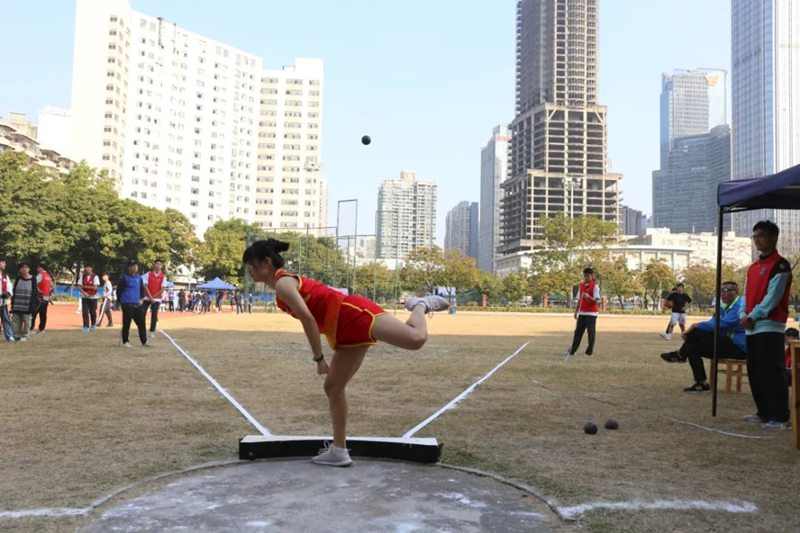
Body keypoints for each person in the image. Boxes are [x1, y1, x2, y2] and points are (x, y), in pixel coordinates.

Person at [243, 238, 449, 467]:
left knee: (416, 339)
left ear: (266, 262)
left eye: (250, 264)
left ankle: (421, 304)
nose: (248, 270)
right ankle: (339, 450)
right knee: (333, 387)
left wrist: (319, 359)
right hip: (340, 329)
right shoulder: (281, 290)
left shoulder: (283, 283)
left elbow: (309, 320)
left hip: (350, 314)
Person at [739, 220, 793, 430]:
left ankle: (780, 416)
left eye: (761, 236)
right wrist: (744, 313)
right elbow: (745, 294)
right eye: (755, 237)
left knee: (772, 371)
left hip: (769, 327)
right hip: (752, 327)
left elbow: (772, 298)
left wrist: (753, 315)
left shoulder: (780, 265)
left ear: (773, 237)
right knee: (755, 371)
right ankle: (764, 412)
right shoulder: (753, 267)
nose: (757, 240)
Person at [660, 281, 746, 392]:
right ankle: (701, 383)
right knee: (692, 345)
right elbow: (713, 321)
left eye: (726, 290)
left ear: (735, 292)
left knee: (696, 331)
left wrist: (695, 326)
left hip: (738, 347)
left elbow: (722, 324)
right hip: (725, 344)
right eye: (720, 291)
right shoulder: (723, 306)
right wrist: (696, 329)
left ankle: (680, 355)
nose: (722, 294)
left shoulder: (739, 306)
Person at [566, 267, 600, 358]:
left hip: (591, 313)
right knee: (578, 332)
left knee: (591, 333)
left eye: (588, 276)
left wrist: (589, 297)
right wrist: (576, 311)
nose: (586, 278)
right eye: (584, 276)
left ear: (592, 276)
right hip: (582, 313)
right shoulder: (581, 286)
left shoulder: (595, 286)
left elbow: (596, 301)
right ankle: (572, 350)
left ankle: (589, 352)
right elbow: (579, 300)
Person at [117, 260, 149, 348]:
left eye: (136, 265)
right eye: (132, 266)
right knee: (127, 323)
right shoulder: (124, 278)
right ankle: (125, 341)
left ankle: (144, 341)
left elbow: (142, 290)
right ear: (129, 268)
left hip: (137, 304)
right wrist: (120, 302)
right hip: (127, 304)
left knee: (141, 323)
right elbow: (119, 291)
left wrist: (142, 299)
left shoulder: (139, 278)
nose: (134, 267)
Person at [10, 262, 39, 342]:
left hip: (27, 305)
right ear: (19, 269)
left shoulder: (33, 279)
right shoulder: (18, 278)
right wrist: (12, 303)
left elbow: (34, 293)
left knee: (27, 321)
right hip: (17, 304)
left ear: (29, 269)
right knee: (16, 321)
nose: (24, 269)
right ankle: (16, 335)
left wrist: (32, 305)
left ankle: (25, 335)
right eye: (22, 267)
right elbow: (14, 291)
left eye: (26, 267)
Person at [142, 259, 167, 339]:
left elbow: (162, 289)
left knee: (154, 315)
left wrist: (154, 297)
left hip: (156, 299)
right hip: (147, 297)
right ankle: (142, 330)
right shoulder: (148, 274)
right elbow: (145, 286)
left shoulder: (163, 276)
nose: (158, 265)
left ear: (161, 266)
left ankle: (152, 331)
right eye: (157, 264)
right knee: (142, 314)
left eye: (160, 264)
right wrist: (150, 297)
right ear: (154, 265)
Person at [30, 263, 53, 334]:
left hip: (39, 298)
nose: (37, 269)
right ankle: (42, 329)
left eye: (38, 268)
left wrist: (38, 290)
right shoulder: (49, 276)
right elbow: (51, 286)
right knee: (43, 314)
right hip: (46, 298)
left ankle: (30, 329)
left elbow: (33, 283)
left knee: (34, 313)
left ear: (41, 268)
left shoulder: (40, 275)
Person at [78, 264, 101, 332]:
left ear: (91, 268)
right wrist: (84, 292)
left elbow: (95, 287)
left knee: (92, 312)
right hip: (84, 297)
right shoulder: (82, 276)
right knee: (85, 312)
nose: (87, 269)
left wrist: (84, 286)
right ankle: (86, 326)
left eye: (88, 267)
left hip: (93, 297)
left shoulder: (95, 277)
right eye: (86, 267)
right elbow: (79, 287)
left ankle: (93, 324)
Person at [1, 258, 15, 342]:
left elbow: (10, 288)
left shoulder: (5, 277)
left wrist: (8, 294)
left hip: (2, 302)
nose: (4, 264)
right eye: (3, 262)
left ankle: (9, 336)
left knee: (6, 319)